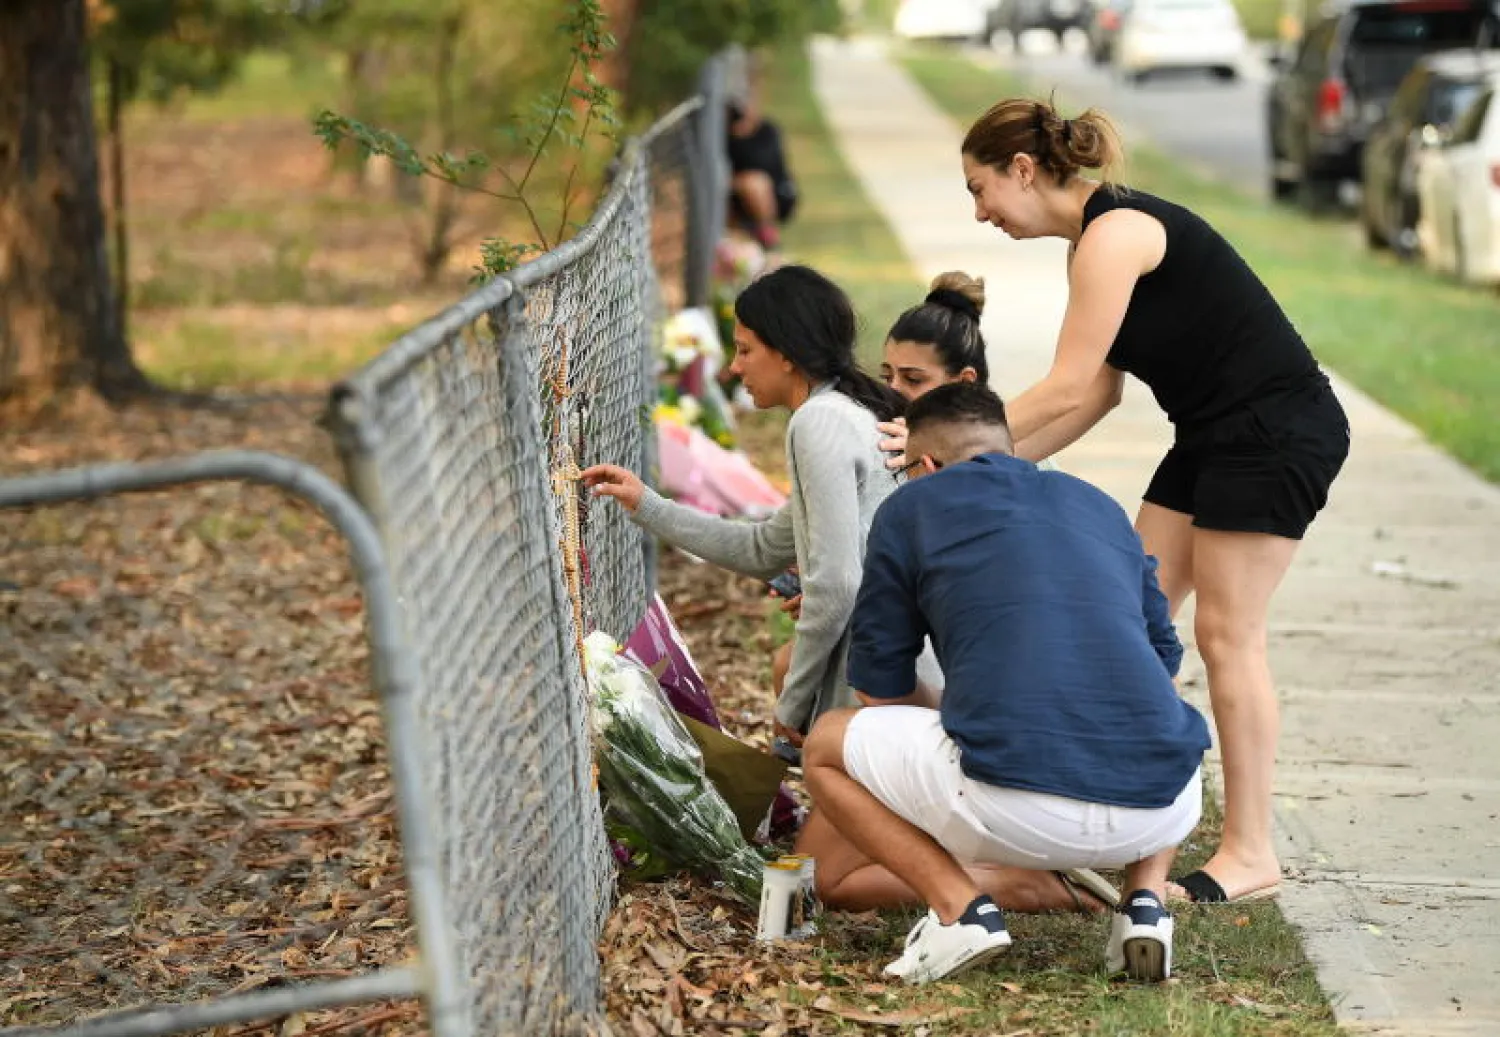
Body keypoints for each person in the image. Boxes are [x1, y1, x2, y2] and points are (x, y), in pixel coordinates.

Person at [955, 99, 1349, 905]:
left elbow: (1063, 386)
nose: (980, 211)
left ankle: (1251, 850)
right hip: (1211, 435)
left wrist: (951, 443)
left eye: (981, 187)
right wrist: (973, 472)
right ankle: (1100, 802)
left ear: (1024, 170)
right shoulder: (1089, 247)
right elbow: (1095, 394)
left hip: (1275, 429)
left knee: (1225, 633)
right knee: (1127, 614)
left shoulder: (1117, 233)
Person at [803, 382, 1211, 984]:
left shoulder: (914, 506)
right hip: (1163, 807)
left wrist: (952, 712)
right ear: (1009, 447)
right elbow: (1163, 661)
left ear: (928, 466)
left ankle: (960, 910)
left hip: (1013, 805)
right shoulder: (1097, 504)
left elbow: (879, 693)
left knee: (827, 745)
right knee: (1156, 709)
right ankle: (1145, 907)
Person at [583, 265, 902, 747]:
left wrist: (793, 707)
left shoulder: (818, 422)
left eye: (746, 350)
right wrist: (646, 504)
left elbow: (836, 585)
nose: (734, 367)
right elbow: (763, 548)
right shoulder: (845, 410)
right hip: (891, 665)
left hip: (882, 681)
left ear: (787, 353)